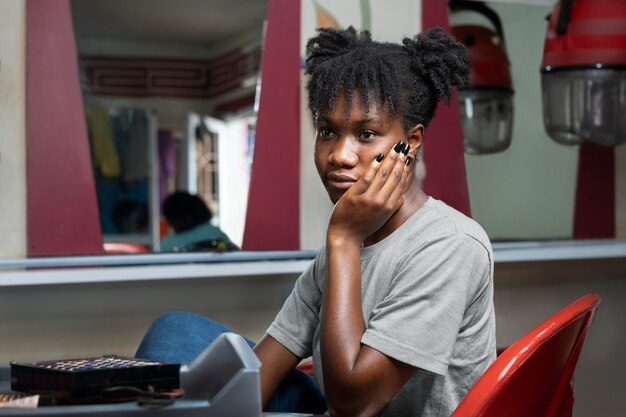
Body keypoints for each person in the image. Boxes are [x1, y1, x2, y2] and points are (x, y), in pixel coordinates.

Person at [137, 26, 495, 417]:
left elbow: (354, 405)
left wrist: (344, 239)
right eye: (328, 131)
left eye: (366, 133)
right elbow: (263, 369)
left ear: (410, 144)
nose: (339, 154)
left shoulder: (449, 244)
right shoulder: (342, 246)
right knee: (172, 334)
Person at [160, 191, 237, 252]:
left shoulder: (170, 244)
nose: (171, 225)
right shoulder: (216, 233)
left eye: (171, 221)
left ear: (187, 218)